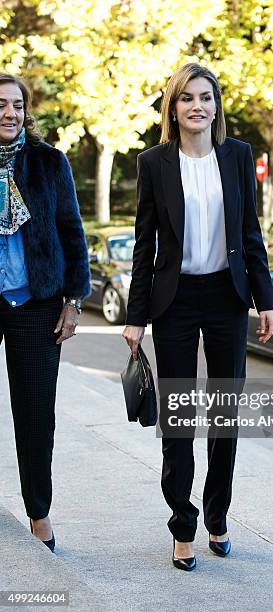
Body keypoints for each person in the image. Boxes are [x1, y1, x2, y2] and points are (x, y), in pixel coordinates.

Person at [123, 63, 273, 571]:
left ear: (216, 105)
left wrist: (266, 300)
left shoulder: (236, 156)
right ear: (173, 107)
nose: (196, 106)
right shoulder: (154, 162)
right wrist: (135, 316)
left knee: (225, 416)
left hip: (227, 298)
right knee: (180, 421)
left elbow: (251, 234)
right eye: (186, 98)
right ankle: (182, 524)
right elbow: (145, 245)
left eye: (205, 97)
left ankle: (217, 516)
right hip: (175, 301)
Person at [0, 73, 90, 551]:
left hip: (37, 302)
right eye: (0, 105)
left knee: (36, 413)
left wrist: (74, 300)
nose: (9, 113)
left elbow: (72, 231)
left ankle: (39, 513)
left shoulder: (50, 162)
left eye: (16, 105)